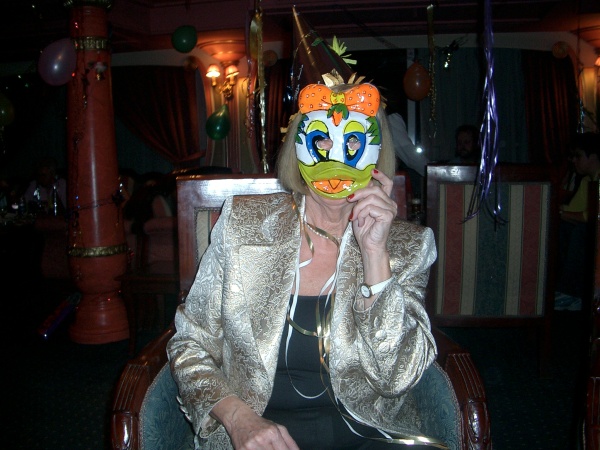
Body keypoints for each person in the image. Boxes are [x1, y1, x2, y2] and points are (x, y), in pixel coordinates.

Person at [167, 79, 439, 449]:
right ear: (298, 150)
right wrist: (238, 418)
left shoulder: (409, 247)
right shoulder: (243, 225)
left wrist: (375, 254)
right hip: (256, 433)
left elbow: (397, 378)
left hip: (369, 435)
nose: (335, 158)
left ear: (376, 156)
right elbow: (190, 342)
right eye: (321, 140)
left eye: (353, 143)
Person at [555, 132, 600, 311]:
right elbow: (573, 210)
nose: (573, 161)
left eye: (578, 156)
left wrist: (560, 213)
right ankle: (559, 287)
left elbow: (592, 216)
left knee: (580, 232)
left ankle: (572, 293)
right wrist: (557, 211)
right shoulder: (587, 181)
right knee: (561, 228)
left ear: (593, 157)